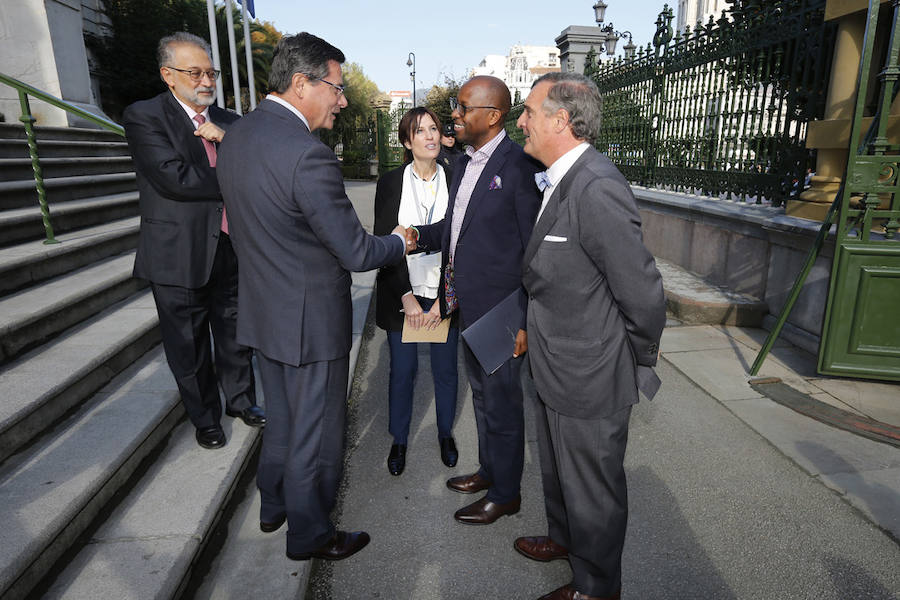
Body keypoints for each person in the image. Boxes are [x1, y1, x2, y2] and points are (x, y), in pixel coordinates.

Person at [216, 32, 411, 562]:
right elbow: (355, 251)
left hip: (263, 310)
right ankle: (310, 534)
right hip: (307, 321)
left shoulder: (238, 135)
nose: (342, 99)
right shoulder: (309, 156)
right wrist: (400, 241)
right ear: (302, 84)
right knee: (313, 433)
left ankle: (272, 504)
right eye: (337, 87)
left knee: (282, 417)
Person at [514, 72, 666, 600]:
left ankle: (595, 588)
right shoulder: (560, 177)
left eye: (529, 112)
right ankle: (565, 541)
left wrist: (636, 359)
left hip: (590, 373)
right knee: (558, 471)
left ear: (561, 120)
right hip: (555, 362)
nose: (522, 122)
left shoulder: (597, 186)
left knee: (593, 492)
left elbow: (642, 292)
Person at [122, 32, 264, 451]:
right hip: (177, 255)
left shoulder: (232, 121)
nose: (206, 81)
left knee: (237, 334)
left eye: (211, 72)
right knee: (189, 345)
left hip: (232, 249)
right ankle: (205, 417)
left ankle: (241, 401)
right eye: (195, 72)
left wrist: (231, 143)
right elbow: (174, 178)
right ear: (168, 74)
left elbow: (258, 172)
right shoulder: (145, 116)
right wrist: (234, 172)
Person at [411, 75, 541, 525]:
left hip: (502, 312)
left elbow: (533, 249)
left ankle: (506, 494)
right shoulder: (465, 164)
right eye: (457, 105)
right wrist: (417, 236)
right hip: (468, 305)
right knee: (484, 399)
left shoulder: (520, 166)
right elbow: (456, 227)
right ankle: (490, 471)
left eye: (465, 107)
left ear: (493, 116)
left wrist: (523, 320)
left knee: (503, 404)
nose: (456, 114)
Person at [373, 107, 460, 477]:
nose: (430, 136)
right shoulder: (391, 182)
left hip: (443, 293)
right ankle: (400, 439)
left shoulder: (456, 178)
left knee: (445, 370)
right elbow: (383, 242)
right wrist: (406, 297)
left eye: (434, 129)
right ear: (408, 141)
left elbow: (461, 243)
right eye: (420, 131)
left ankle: (444, 433)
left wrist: (444, 298)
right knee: (403, 371)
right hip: (402, 293)